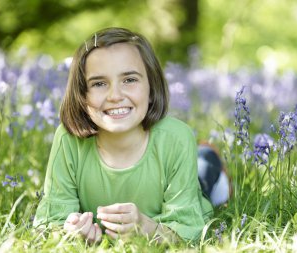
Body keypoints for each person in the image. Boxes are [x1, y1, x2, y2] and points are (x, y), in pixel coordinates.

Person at [33, 27, 215, 244]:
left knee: (206, 179)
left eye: (129, 80)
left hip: (190, 187)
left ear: (151, 87)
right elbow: (50, 221)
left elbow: (188, 230)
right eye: (99, 84)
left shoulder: (177, 138)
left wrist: (145, 228)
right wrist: (71, 232)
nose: (115, 96)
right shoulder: (68, 139)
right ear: (82, 96)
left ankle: (210, 158)